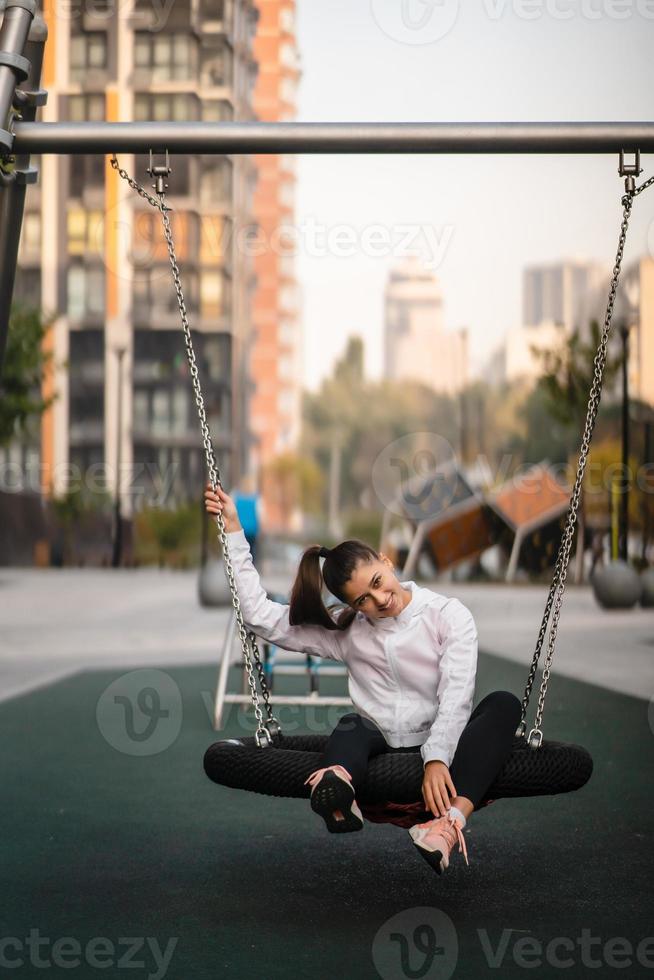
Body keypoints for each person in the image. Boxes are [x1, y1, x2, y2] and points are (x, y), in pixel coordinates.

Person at [204, 482, 521, 876]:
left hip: (445, 743)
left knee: (504, 705)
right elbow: (258, 615)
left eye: (376, 583)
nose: (378, 601)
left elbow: (456, 692)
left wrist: (438, 758)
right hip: (380, 744)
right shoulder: (348, 629)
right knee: (353, 725)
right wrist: (234, 529)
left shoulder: (448, 615)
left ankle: (446, 825)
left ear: (385, 561)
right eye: (362, 601)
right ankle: (337, 787)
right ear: (352, 606)